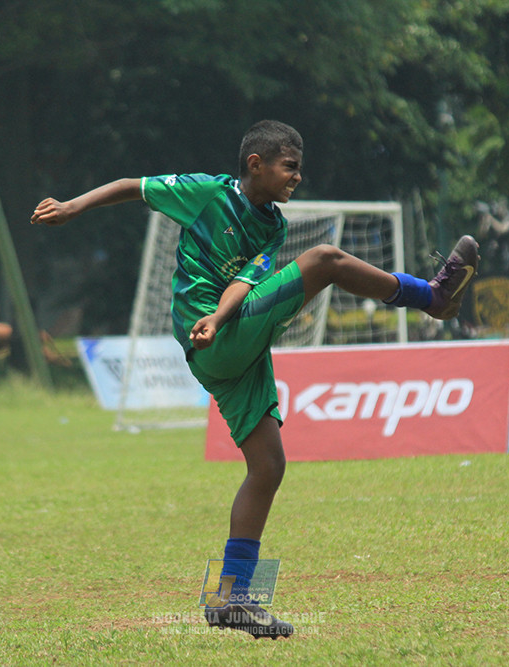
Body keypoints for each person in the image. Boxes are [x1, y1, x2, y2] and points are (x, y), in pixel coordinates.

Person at [31, 120, 479, 639]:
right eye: (290, 167)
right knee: (326, 260)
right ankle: (431, 297)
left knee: (267, 466)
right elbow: (134, 187)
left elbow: (244, 281)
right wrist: (71, 207)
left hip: (228, 340)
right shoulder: (205, 194)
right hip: (211, 339)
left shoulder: (273, 226)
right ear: (255, 165)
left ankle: (231, 600)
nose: (297, 177)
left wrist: (219, 320)